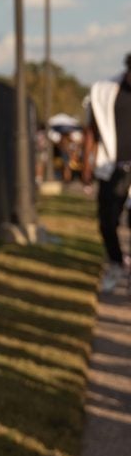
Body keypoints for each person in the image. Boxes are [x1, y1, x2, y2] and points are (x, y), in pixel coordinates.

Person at [83, 54, 131, 294]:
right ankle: (116, 262)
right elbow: (91, 130)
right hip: (112, 167)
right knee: (107, 222)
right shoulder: (106, 93)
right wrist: (86, 165)